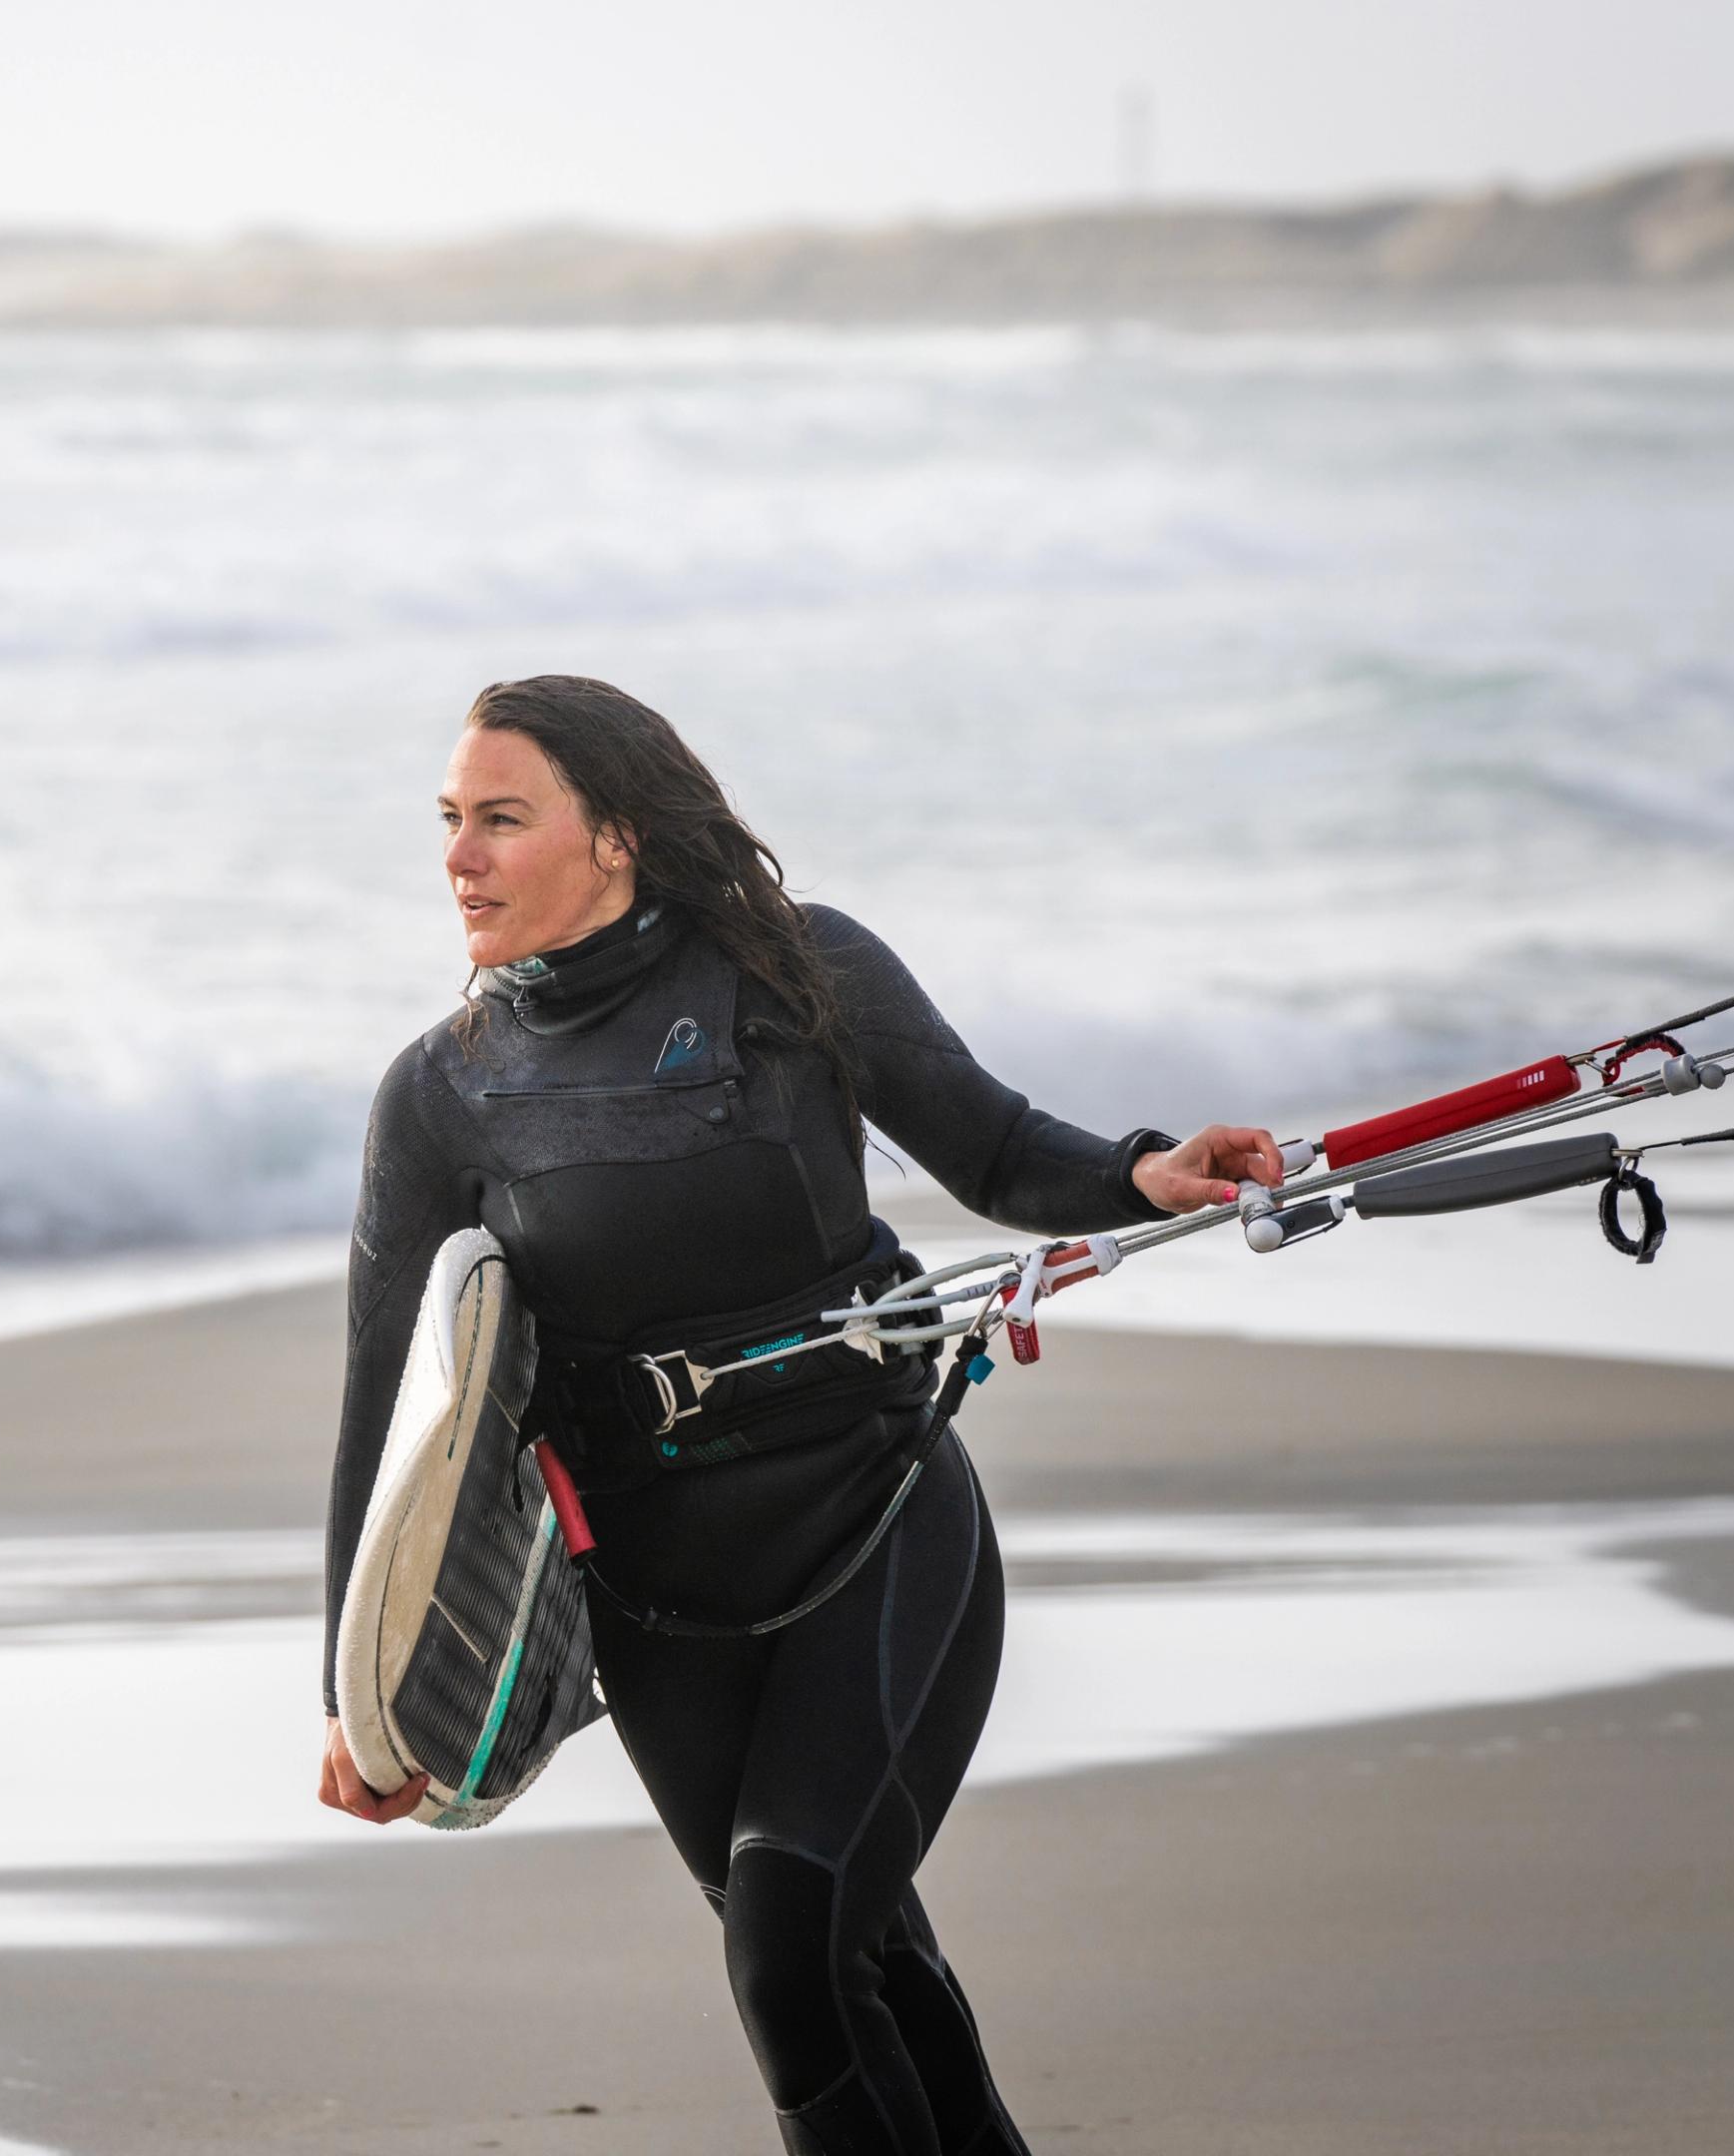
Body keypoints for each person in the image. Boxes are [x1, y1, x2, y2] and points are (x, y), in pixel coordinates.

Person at [313, 676, 1275, 2156]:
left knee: (791, 1954)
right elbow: (389, 1399)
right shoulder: (444, 1091)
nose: (459, 857)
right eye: (451, 820)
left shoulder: (792, 971)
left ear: (617, 833)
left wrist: (1139, 1173)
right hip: (657, 1605)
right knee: (855, 1962)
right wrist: (354, 1692)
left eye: (501, 818)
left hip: (871, 1523)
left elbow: (996, 1148)